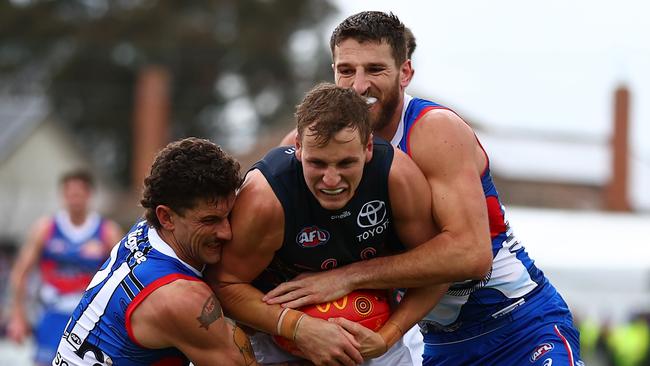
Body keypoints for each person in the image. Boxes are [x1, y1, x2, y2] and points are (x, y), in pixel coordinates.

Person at [270, 11, 583, 365]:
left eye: (375, 69)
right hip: (439, 344)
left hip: (518, 326)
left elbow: (470, 256)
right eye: (347, 70)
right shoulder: (307, 148)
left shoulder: (434, 131)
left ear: (405, 73)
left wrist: (347, 278)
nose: (359, 86)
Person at [208, 83, 448, 366]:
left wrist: (387, 336)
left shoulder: (397, 178)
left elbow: (438, 271)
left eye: (346, 163)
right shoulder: (266, 198)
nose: (331, 180)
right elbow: (223, 283)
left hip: (374, 333)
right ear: (298, 147)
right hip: (276, 336)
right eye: (317, 163)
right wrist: (298, 328)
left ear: (368, 147)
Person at [52, 138, 257, 365]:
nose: (226, 232)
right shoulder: (180, 297)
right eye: (210, 220)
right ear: (166, 217)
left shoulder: (150, 228)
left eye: (229, 216)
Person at [7, 169, 123, 366]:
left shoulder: (107, 232)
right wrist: (17, 315)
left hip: (89, 317)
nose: (74, 200)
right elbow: (20, 272)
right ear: (63, 195)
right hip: (51, 313)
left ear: (89, 195)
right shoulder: (45, 228)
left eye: (78, 194)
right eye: (70, 194)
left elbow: (123, 276)